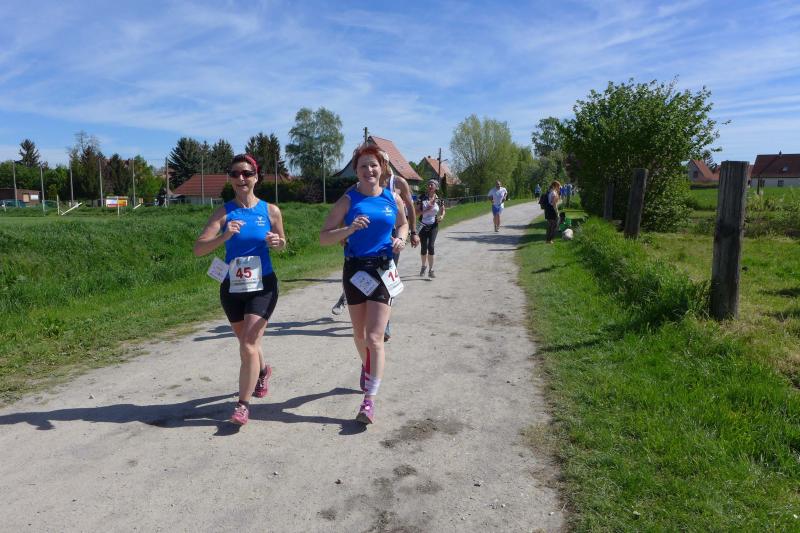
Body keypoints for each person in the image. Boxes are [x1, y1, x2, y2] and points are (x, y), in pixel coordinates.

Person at [193, 154, 287, 426]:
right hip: (232, 287)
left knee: (247, 344)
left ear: (256, 177)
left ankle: (242, 405)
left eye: (246, 173)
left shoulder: (270, 211)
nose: (241, 178)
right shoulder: (224, 213)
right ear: (230, 179)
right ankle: (263, 371)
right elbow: (199, 249)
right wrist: (224, 236)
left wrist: (277, 243)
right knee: (248, 343)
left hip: (263, 286)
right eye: (235, 174)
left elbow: (283, 243)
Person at [320, 144, 409, 425]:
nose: (369, 170)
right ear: (356, 171)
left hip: (383, 268)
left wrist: (401, 238)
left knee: (374, 337)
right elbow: (324, 237)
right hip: (355, 269)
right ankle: (367, 365)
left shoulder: (392, 198)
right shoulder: (348, 200)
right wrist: (349, 229)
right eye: (363, 166)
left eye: (373, 165)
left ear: (382, 168)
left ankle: (369, 400)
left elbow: (403, 224)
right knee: (359, 335)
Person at [417, 180, 445, 278]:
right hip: (422, 225)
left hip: (434, 225)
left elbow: (443, 210)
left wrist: (442, 216)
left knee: (431, 246)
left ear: (436, 187)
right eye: (428, 184)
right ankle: (423, 266)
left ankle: (431, 270)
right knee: (424, 247)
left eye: (431, 185)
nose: (429, 186)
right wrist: (426, 210)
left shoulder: (439, 199)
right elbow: (416, 212)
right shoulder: (421, 198)